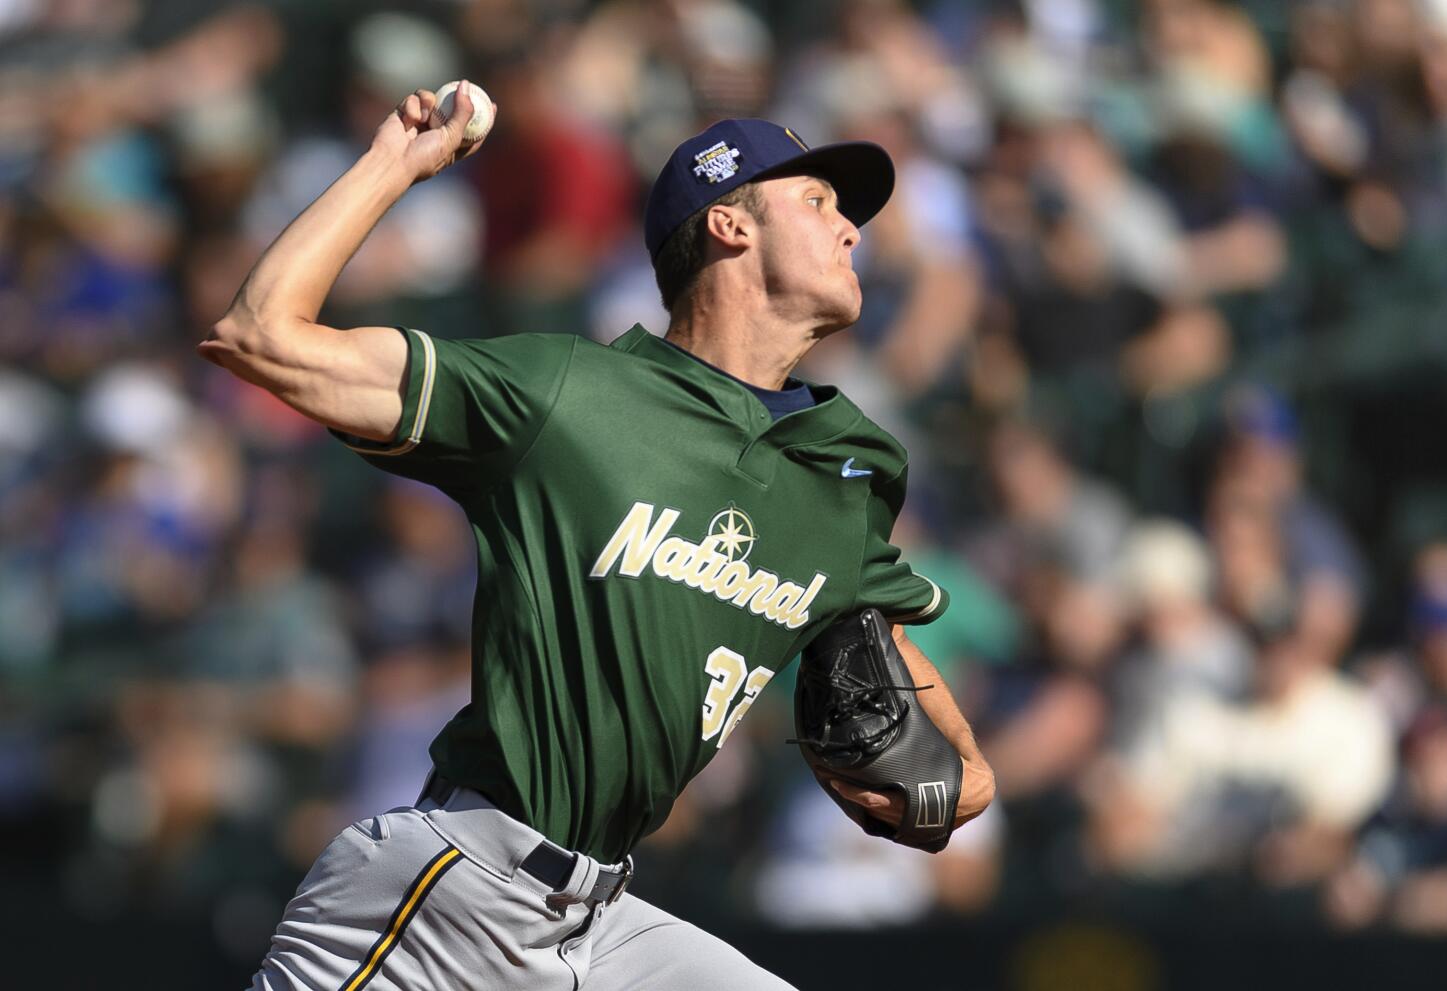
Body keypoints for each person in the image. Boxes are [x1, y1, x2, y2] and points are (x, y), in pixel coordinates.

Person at [201, 83, 995, 990]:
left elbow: (882, 648)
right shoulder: (566, 394)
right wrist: (397, 163)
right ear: (731, 229)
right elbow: (260, 336)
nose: (852, 228)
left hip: (603, 923)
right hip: (452, 897)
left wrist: (966, 773)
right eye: (816, 202)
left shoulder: (846, 470)